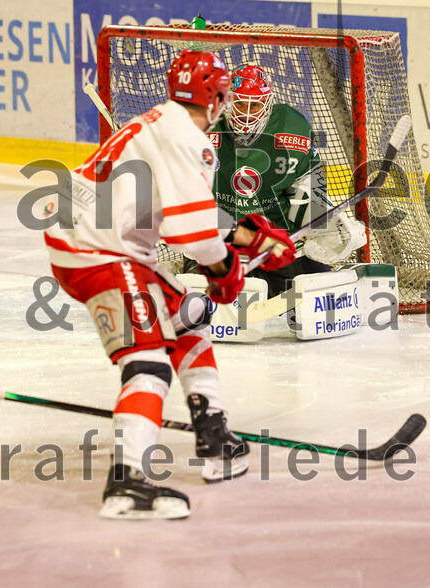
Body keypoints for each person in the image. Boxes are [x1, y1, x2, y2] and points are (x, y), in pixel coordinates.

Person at [44, 51, 295, 520]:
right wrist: (227, 270)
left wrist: (249, 237)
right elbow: (192, 232)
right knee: (148, 365)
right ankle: (127, 483)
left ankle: (213, 433)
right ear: (217, 96)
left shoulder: (164, 122)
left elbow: (186, 210)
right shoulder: (188, 137)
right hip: (96, 253)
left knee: (188, 318)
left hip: (101, 241)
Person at [204, 64, 367, 297]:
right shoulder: (204, 128)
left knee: (319, 296)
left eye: (255, 105)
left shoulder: (293, 129)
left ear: (268, 105)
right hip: (223, 247)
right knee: (202, 303)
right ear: (227, 102)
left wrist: (323, 221)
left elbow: (306, 187)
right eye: (240, 103)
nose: (246, 114)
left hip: (279, 244)